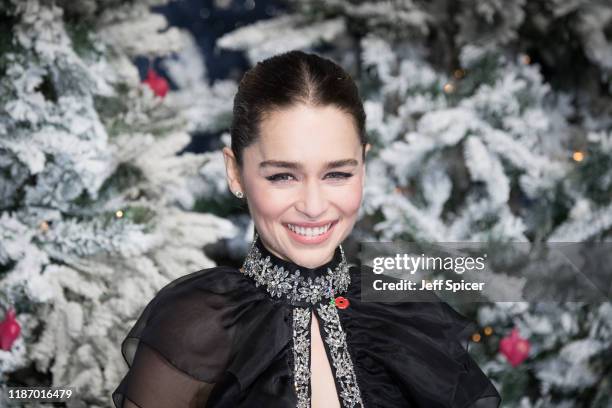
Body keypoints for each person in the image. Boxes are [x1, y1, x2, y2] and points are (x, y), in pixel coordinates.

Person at [112, 50, 501, 408]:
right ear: (235, 172)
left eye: (337, 173)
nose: (313, 207)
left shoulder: (407, 318)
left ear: (363, 166)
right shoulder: (196, 327)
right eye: (283, 176)